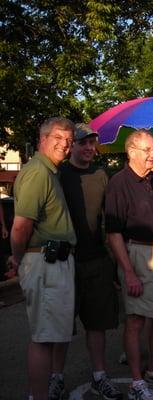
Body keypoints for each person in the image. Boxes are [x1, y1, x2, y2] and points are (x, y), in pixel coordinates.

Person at [105, 129, 153, 400]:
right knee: (136, 321)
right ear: (131, 152)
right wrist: (128, 271)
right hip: (139, 257)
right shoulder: (119, 183)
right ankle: (137, 382)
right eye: (148, 150)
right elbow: (113, 232)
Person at [6, 117, 77, 400]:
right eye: (59, 138)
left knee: (49, 336)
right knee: (44, 339)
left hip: (51, 263)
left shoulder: (49, 172)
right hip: (45, 264)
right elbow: (21, 226)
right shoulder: (38, 173)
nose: (65, 144)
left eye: (69, 140)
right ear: (42, 139)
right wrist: (18, 259)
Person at [57, 124, 121, 399]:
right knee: (60, 326)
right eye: (83, 143)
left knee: (97, 324)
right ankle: (55, 378)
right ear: (72, 145)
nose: (88, 148)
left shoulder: (100, 174)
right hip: (64, 261)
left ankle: (99, 375)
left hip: (96, 259)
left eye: (92, 144)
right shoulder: (57, 174)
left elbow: (111, 217)